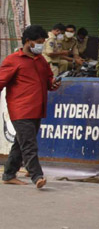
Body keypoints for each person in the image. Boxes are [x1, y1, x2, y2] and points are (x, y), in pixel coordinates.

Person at [1, 25, 58, 189]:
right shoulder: (13, 60)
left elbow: (49, 81)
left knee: (20, 143)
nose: (41, 45)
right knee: (29, 145)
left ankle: (9, 174)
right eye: (39, 42)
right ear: (28, 42)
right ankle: (36, 176)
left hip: (37, 109)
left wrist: (53, 84)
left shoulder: (41, 60)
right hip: (20, 109)